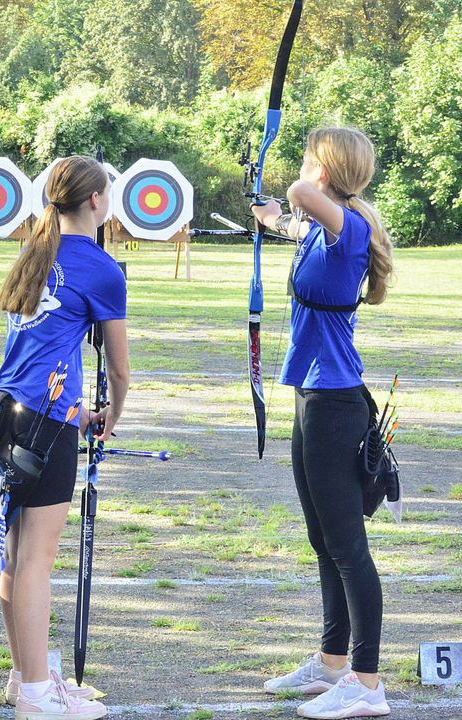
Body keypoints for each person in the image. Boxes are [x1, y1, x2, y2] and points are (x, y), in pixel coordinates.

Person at [252, 126, 395, 719]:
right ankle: (332, 662)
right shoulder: (325, 230)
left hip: (337, 406)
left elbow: (302, 197)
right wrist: (271, 220)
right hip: (314, 398)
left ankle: (366, 683)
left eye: (312, 158)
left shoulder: (349, 226)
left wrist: (296, 189)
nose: (302, 168)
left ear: (327, 168)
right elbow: (296, 219)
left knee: (348, 547)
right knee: (323, 539)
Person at [0, 156, 126, 720]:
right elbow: (120, 370)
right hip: (48, 420)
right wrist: (111, 415)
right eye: (109, 193)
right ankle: (38, 695)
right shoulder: (100, 267)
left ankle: (28, 677)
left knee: (14, 557)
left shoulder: (33, 251)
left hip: (5, 411)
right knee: (36, 562)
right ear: (94, 201)